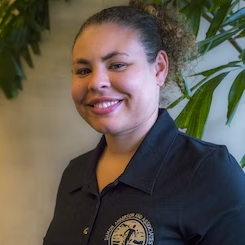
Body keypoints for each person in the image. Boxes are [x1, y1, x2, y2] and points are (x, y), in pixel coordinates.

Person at [43, 0, 245, 244]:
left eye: (117, 65)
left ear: (159, 68)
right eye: (83, 70)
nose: (96, 83)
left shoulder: (209, 172)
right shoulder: (74, 174)